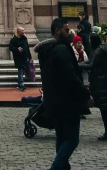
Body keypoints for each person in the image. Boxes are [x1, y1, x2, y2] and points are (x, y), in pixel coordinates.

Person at [38, 18, 90, 170]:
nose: (70, 33)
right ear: (57, 31)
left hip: (53, 101)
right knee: (72, 139)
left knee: (61, 137)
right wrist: (86, 94)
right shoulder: (62, 49)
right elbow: (70, 75)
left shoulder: (46, 51)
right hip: (66, 101)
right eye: (66, 30)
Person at [9, 26, 31, 91]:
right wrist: (17, 49)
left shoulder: (24, 38)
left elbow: (27, 48)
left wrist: (30, 57)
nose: (24, 32)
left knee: (22, 71)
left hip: (24, 56)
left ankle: (19, 83)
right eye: (23, 31)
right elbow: (10, 47)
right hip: (18, 57)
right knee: (20, 71)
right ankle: (21, 84)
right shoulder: (14, 39)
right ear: (19, 32)